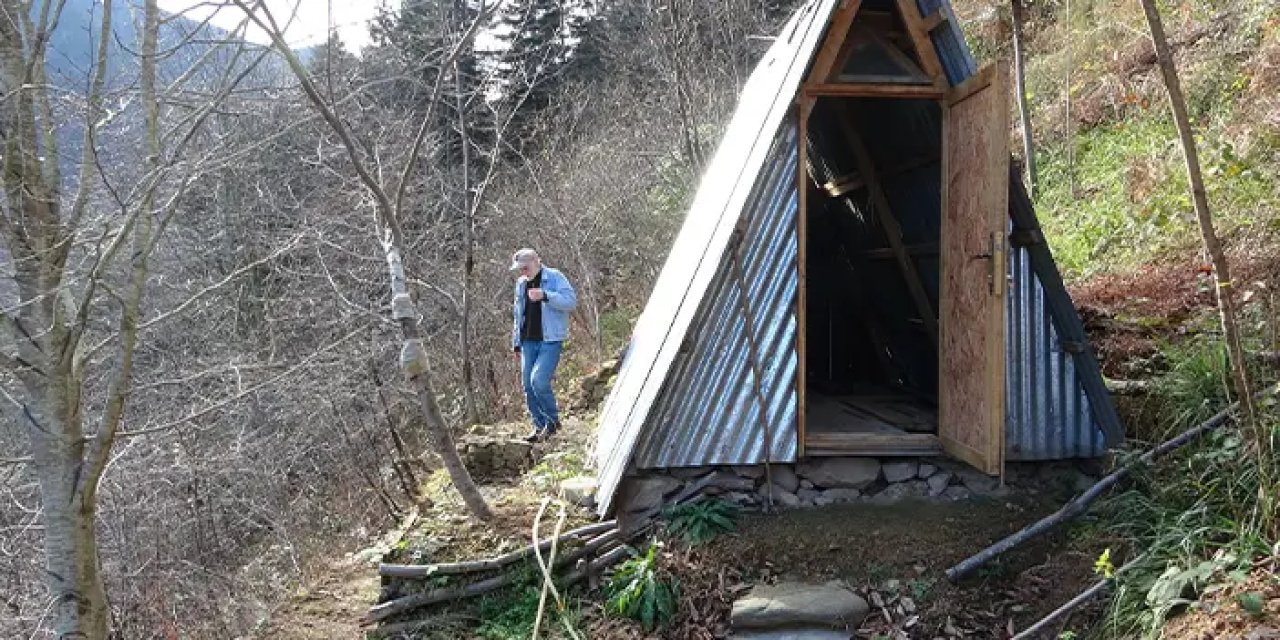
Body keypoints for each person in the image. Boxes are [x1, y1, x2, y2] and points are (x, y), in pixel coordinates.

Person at [510, 248, 576, 442]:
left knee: (538, 380)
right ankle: (539, 427)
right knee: (528, 387)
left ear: (535, 261)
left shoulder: (555, 277)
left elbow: (570, 302)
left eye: (525, 267)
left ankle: (553, 421)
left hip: (550, 339)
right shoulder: (521, 284)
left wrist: (546, 295)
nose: (523, 272)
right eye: (520, 269)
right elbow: (517, 315)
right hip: (527, 341)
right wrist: (516, 343)